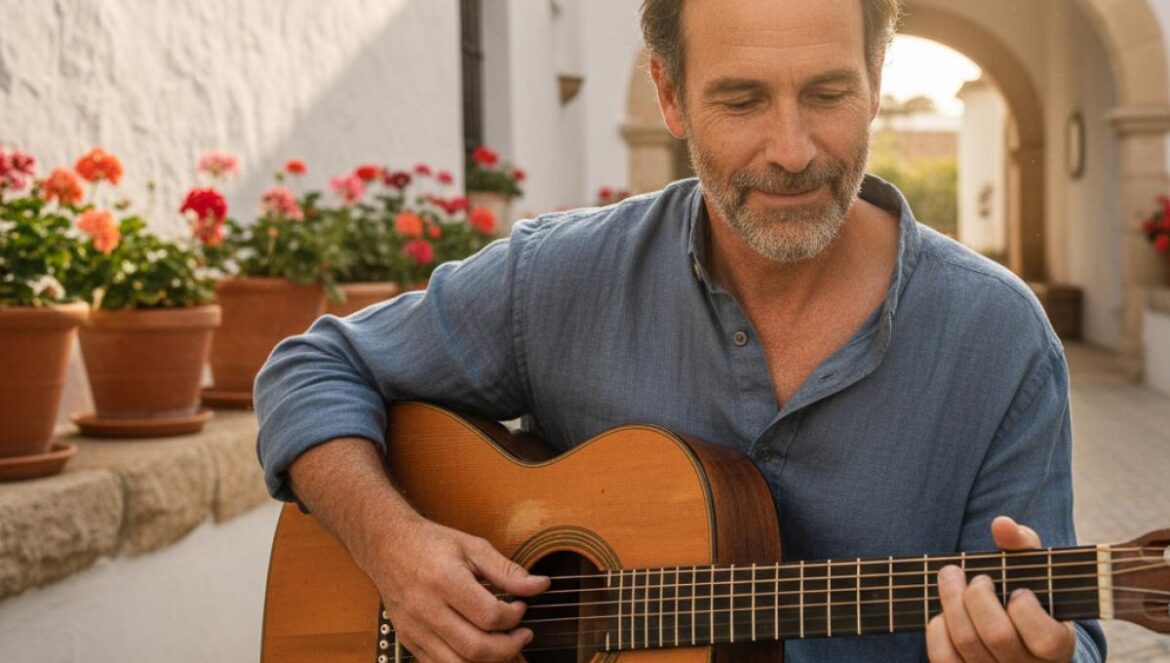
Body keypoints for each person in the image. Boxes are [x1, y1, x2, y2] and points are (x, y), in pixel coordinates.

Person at [254, 0, 1107, 661]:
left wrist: (1044, 650)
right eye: (741, 99)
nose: (791, 148)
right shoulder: (559, 278)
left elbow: (1070, 632)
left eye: (828, 93)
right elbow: (310, 369)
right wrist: (395, 549)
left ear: (877, 77)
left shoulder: (999, 339)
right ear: (669, 94)